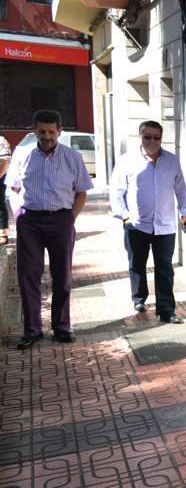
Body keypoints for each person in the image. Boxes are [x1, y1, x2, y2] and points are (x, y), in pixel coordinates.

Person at [4, 110, 93, 349]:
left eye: (51, 131)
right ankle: (32, 330)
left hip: (61, 221)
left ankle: (61, 327)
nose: (47, 136)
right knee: (28, 277)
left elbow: (81, 192)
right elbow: (13, 188)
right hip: (29, 222)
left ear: (60, 131)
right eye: (42, 131)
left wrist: (70, 218)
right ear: (35, 130)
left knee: (62, 277)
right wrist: (19, 214)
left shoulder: (72, 157)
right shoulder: (22, 154)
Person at [110, 120, 186, 324]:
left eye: (157, 138)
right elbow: (117, 191)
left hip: (165, 225)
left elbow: (181, 189)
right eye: (148, 137)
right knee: (137, 264)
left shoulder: (172, 161)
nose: (152, 141)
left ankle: (166, 310)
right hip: (136, 224)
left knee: (165, 268)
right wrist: (125, 216)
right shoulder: (126, 160)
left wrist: (185, 212)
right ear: (140, 137)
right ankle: (139, 299)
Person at [0, 134, 11, 245]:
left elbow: (6, 161)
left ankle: (2, 233)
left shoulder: (1, 140)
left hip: (0, 176)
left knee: (0, 204)